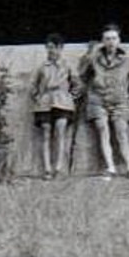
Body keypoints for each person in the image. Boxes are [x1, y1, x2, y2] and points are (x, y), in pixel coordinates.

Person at [78, 23, 129, 178]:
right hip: (97, 101)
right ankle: (111, 167)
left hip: (120, 101)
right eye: (107, 39)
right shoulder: (94, 59)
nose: (111, 42)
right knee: (103, 131)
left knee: (121, 133)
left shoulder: (127, 60)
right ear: (102, 40)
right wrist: (88, 56)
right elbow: (82, 75)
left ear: (119, 40)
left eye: (114, 38)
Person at [28, 34, 79, 179]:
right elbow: (32, 85)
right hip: (44, 103)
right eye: (48, 48)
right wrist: (37, 96)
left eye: (54, 48)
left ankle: (59, 168)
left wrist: (71, 97)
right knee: (46, 133)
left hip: (63, 102)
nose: (51, 51)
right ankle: (47, 169)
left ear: (60, 48)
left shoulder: (67, 66)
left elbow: (77, 84)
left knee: (60, 131)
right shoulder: (42, 67)